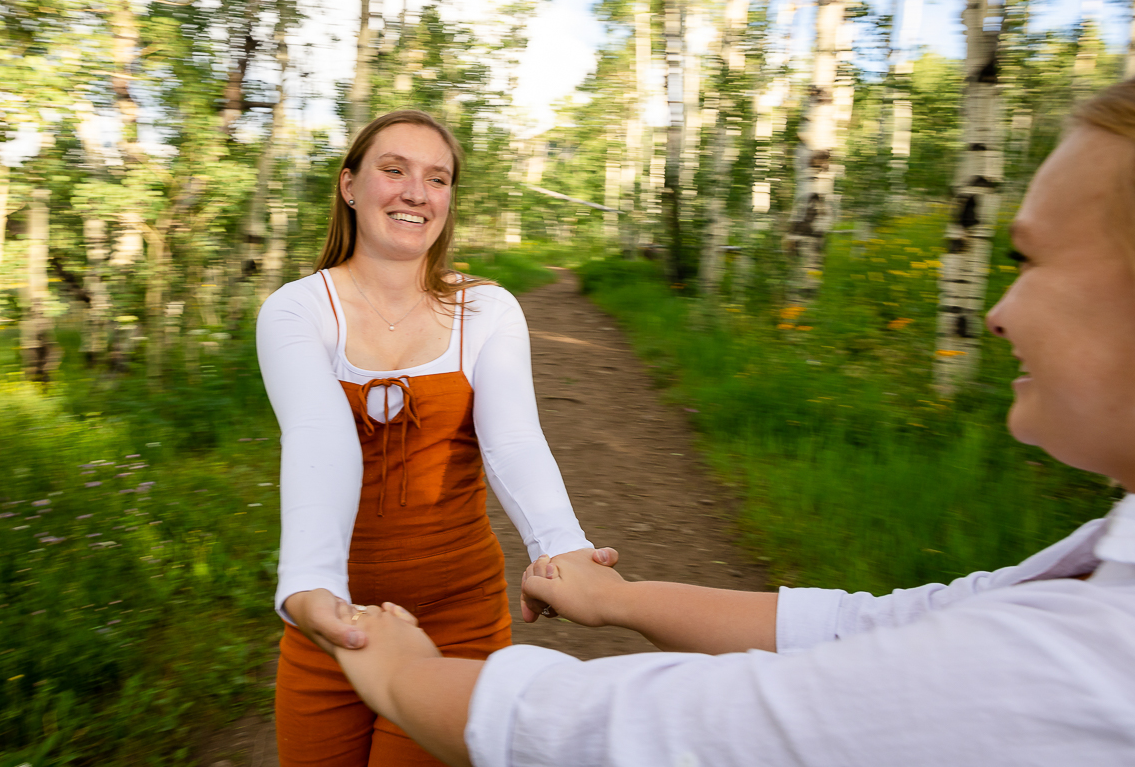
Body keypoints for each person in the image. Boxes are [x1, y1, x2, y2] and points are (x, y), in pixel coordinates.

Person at [329, 82, 1135, 767]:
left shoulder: (1090, 653)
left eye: (1027, 261)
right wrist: (621, 597)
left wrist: (404, 680)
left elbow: (684, 728)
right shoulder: (1100, 571)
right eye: (392, 169)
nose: (996, 314)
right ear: (349, 184)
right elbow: (869, 626)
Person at [255, 109, 613, 767]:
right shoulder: (297, 309)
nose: (416, 192)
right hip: (331, 622)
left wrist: (562, 547)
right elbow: (318, 436)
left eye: (437, 177)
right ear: (349, 186)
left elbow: (513, 439)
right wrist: (310, 587)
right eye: (394, 170)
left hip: (459, 623)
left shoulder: (487, 308)